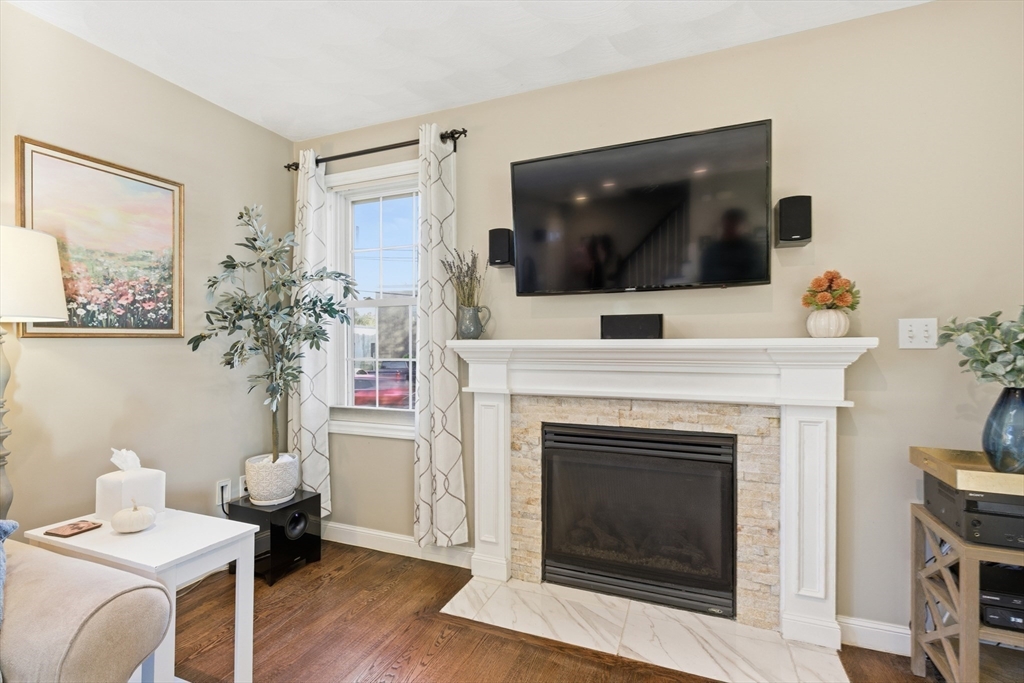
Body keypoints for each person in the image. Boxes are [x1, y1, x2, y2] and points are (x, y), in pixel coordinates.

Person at [699, 209, 766, 284]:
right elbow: (705, 277)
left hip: (747, 291)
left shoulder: (752, 249)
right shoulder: (711, 250)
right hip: (713, 292)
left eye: (734, 225)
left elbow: (757, 275)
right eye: (728, 225)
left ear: (742, 226)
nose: (730, 229)